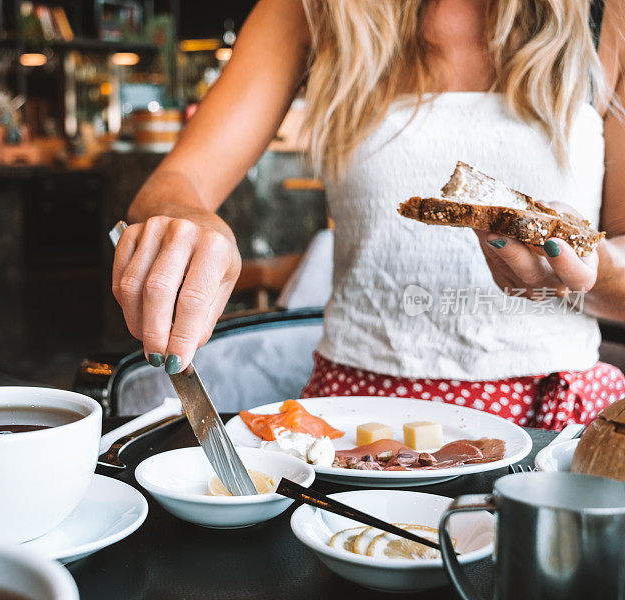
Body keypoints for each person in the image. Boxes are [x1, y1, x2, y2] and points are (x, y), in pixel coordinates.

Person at [112, 0, 625, 429]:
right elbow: (176, 185)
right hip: (353, 410)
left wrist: (590, 271)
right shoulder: (314, 9)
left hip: (556, 412)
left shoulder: (607, 16)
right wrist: (190, 221)